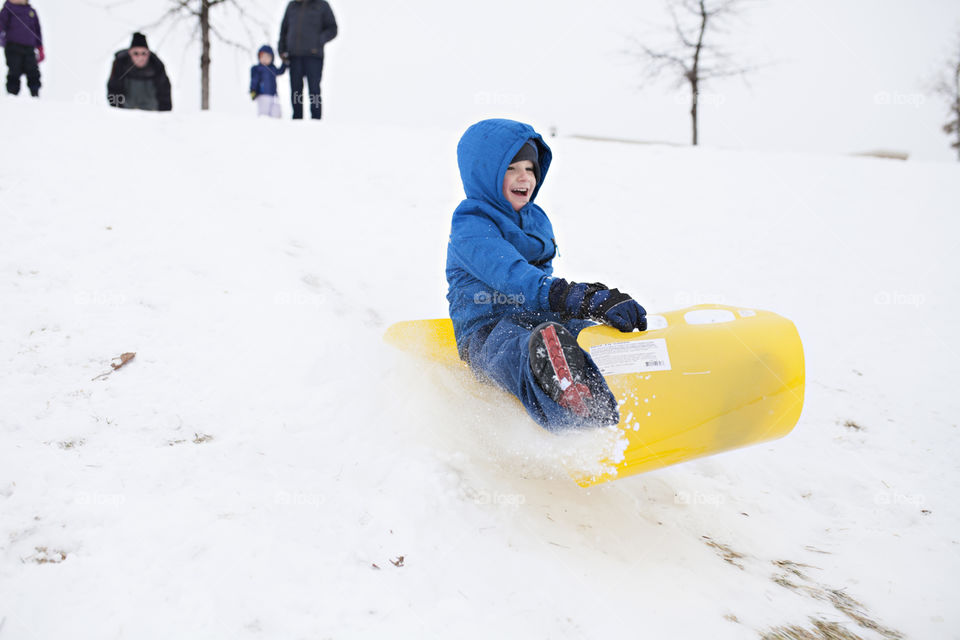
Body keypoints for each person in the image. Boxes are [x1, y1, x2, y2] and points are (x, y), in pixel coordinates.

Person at [446, 119, 648, 430]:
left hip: (539, 317)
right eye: (511, 168)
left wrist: (594, 305)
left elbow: (541, 281)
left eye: (530, 168)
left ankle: (639, 380)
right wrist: (579, 297)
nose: (524, 177)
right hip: (487, 327)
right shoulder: (470, 225)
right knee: (513, 349)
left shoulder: (535, 218)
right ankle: (568, 404)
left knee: (583, 332)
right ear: (486, 172)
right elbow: (512, 275)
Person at [277, 0, 337, 120]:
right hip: (294, 55)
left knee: (314, 89)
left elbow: (333, 29)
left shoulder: (321, 5)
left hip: (314, 56)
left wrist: (319, 41)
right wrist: (281, 49)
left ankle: (316, 119)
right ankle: (296, 119)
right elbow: (284, 29)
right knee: (295, 90)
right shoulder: (292, 5)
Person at [107, 32, 171, 111]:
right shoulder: (121, 65)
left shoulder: (157, 66)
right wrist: (118, 111)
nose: (140, 57)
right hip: (126, 113)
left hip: (152, 114)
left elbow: (165, 93)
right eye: (136, 53)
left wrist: (163, 116)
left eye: (143, 53)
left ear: (148, 53)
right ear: (130, 53)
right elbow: (114, 89)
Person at [0, 0, 43, 97]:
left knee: (33, 70)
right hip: (12, 47)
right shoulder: (8, 10)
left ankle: (35, 93)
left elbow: (37, 30)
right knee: (14, 70)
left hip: (29, 47)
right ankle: (12, 94)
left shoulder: (31, 12)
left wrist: (40, 47)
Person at [249, 44, 286, 118]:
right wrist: (253, 91)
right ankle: (263, 127)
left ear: (272, 58)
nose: (265, 59)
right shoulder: (258, 69)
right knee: (264, 114)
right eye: (263, 57)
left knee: (276, 112)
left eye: (267, 57)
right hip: (262, 95)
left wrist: (284, 63)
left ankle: (276, 126)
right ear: (259, 57)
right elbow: (254, 81)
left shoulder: (273, 69)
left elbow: (280, 71)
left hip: (273, 95)